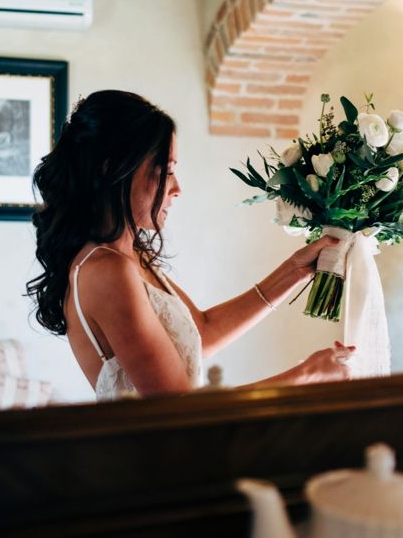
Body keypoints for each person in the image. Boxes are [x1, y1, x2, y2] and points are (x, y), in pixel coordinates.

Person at [27, 90, 355, 401]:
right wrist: (308, 374)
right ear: (114, 170)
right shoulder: (107, 271)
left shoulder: (127, 255)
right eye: (165, 171)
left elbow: (202, 331)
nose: (177, 188)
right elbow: (183, 409)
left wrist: (295, 270)